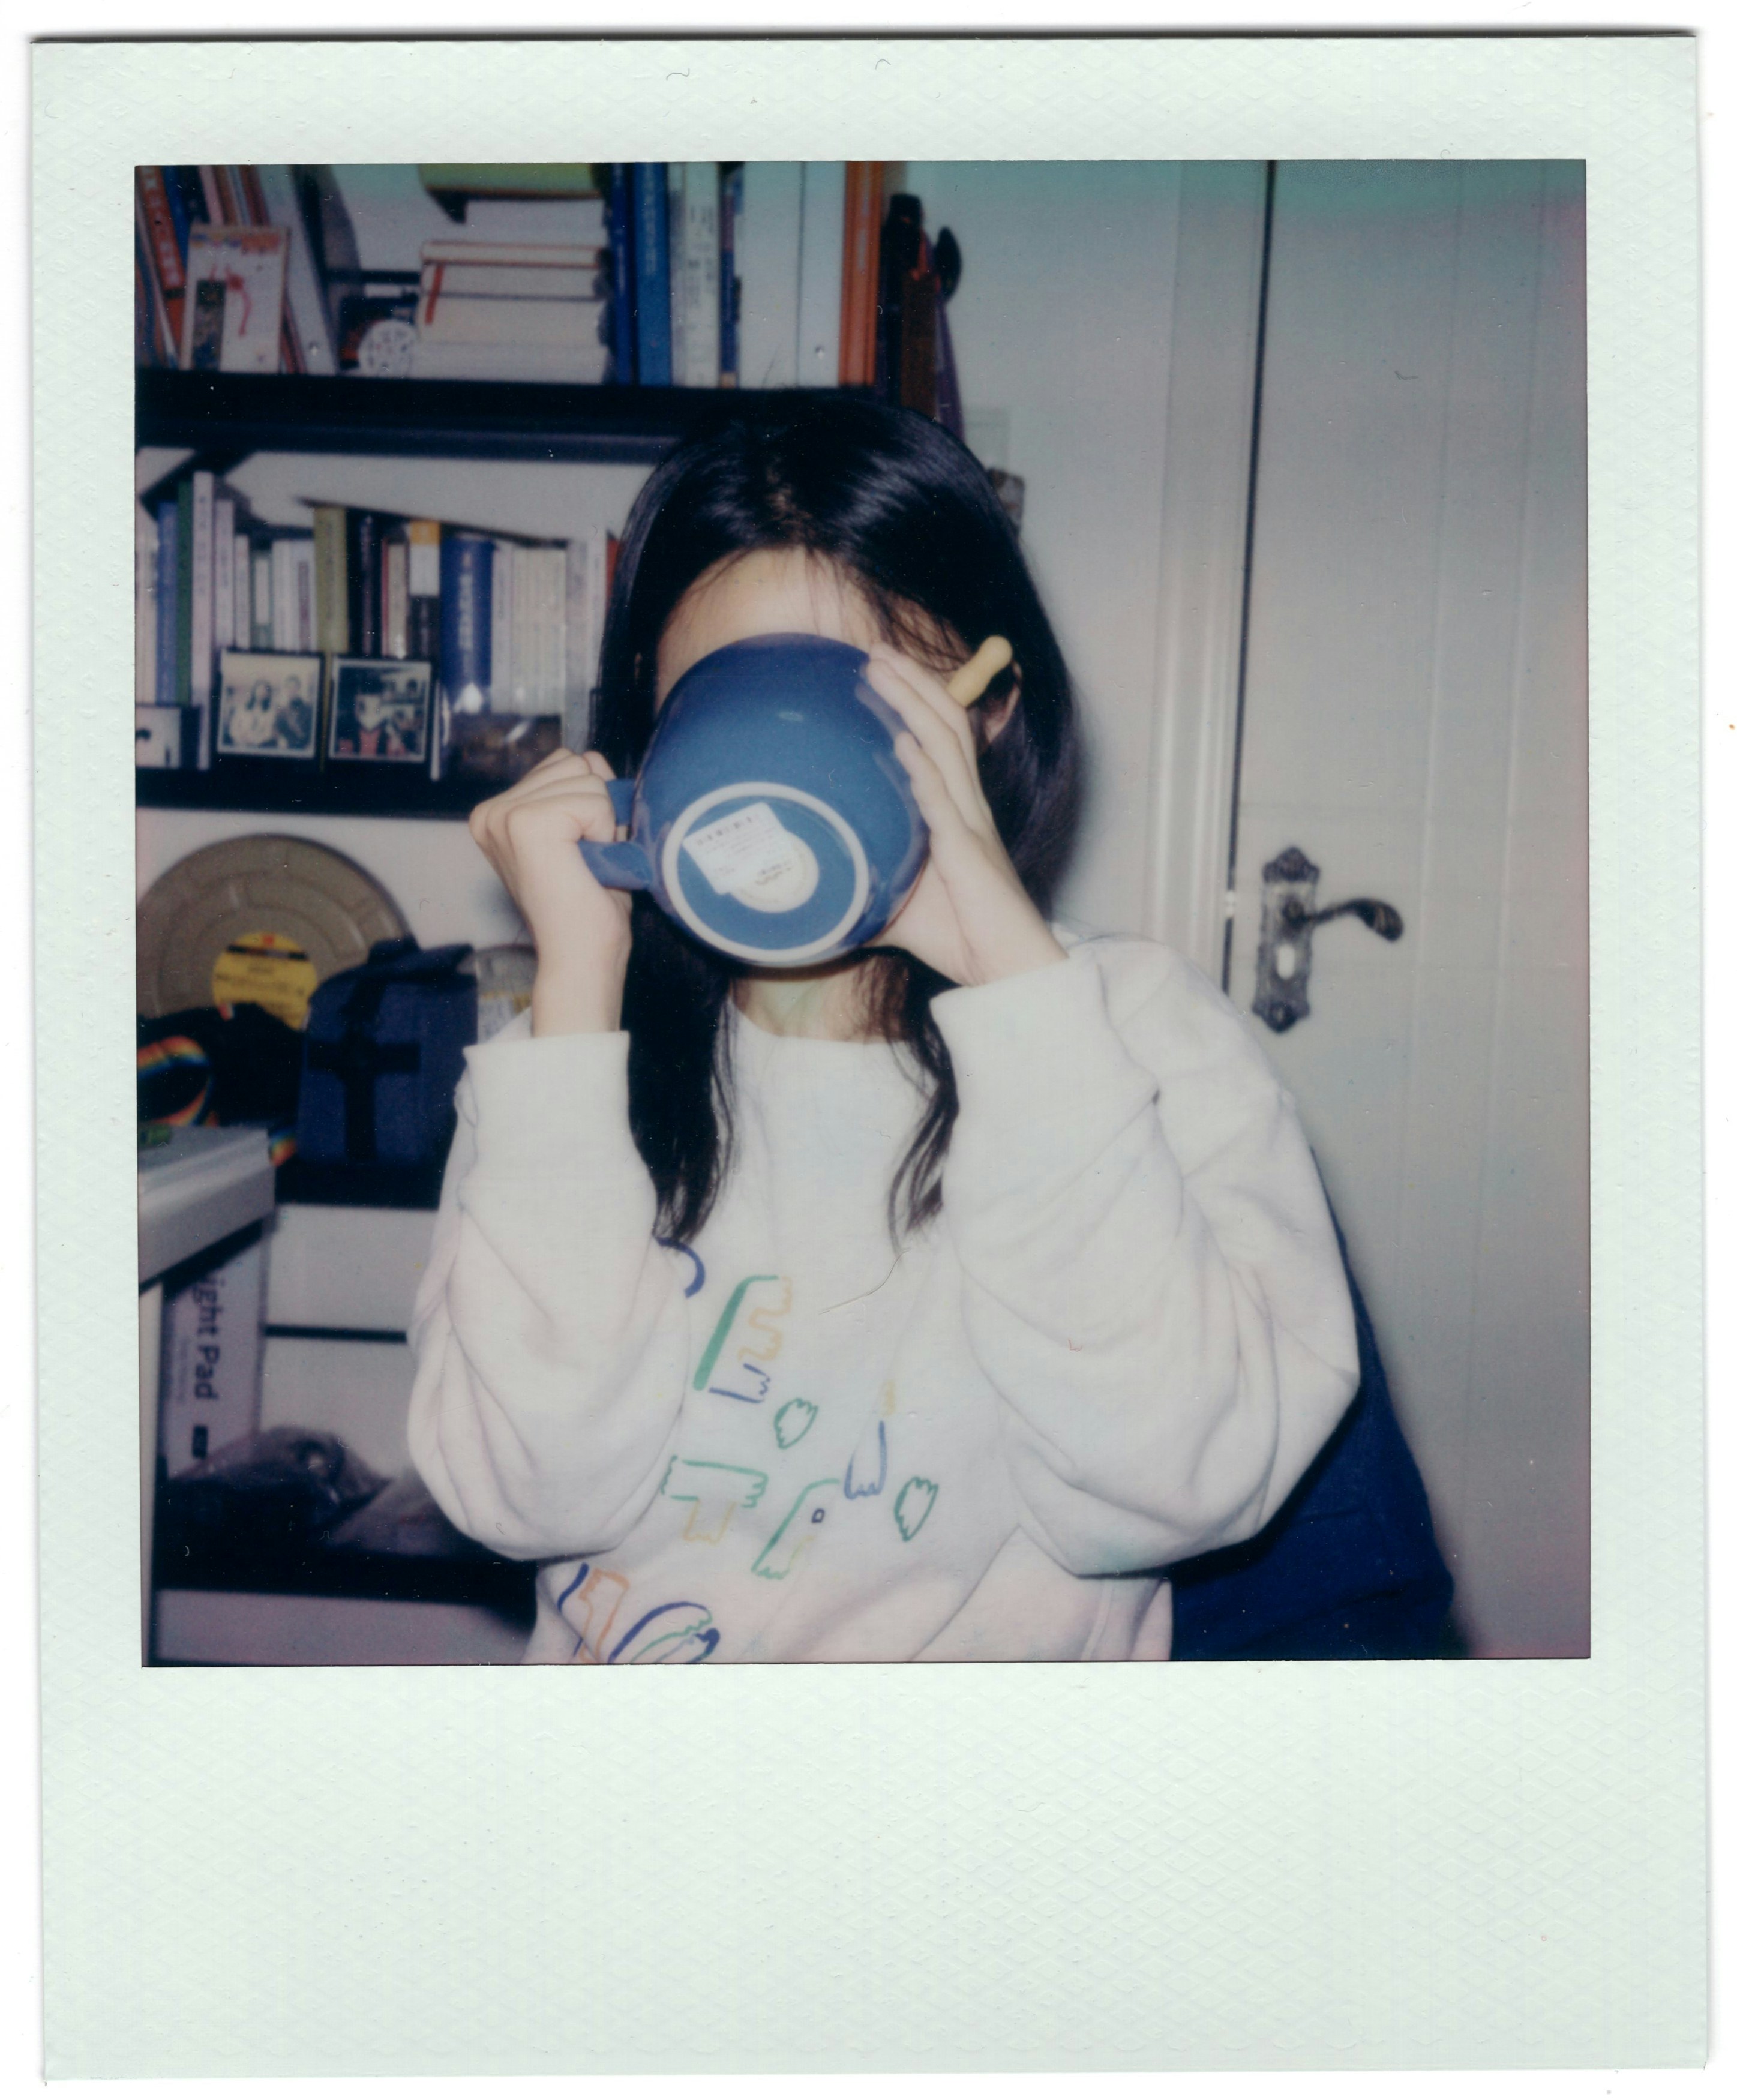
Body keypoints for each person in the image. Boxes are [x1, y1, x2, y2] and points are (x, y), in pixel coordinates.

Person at [407, 398, 1361, 1664]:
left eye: (875, 698)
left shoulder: (1133, 1033)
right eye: (724, 694)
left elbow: (1174, 1488)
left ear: (988, 708)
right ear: (653, 725)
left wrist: (1012, 992)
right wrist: (575, 996)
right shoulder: (567, 1075)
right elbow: (521, 1497)